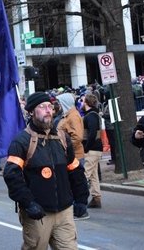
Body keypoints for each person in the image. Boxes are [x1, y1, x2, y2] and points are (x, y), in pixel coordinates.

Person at [3, 92, 89, 249]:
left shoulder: (63, 139)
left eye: (50, 106)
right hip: (38, 215)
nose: (48, 110)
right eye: (42, 107)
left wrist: (82, 198)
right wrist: (28, 203)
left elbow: (75, 169)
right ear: (31, 112)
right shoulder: (21, 141)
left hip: (64, 212)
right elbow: (12, 176)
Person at [56, 92, 88, 220]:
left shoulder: (73, 116)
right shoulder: (67, 115)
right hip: (68, 155)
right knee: (71, 182)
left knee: (77, 182)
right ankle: (75, 207)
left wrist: (65, 147)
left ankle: (80, 209)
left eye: (59, 102)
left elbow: (78, 136)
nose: (57, 105)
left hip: (74, 155)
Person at [82, 93, 103, 209]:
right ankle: (96, 198)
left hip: (92, 149)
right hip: (95, 149)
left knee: (84, 174)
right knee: (93, 175)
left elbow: (92, 134)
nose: (80, 103)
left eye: (82, 101)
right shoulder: (92, 115)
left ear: (86, 103)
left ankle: (80, 200)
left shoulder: (91, 116)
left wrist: (86, 148)